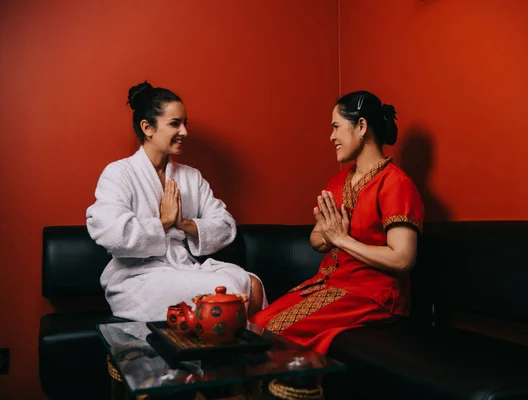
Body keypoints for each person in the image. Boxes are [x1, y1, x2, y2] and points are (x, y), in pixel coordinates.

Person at [249, 90, 424, 354]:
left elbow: (402, 259)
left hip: (374, 296)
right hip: (330, 284)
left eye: (336, 127)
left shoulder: (396, 184)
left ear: (361, 126)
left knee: (269, 330)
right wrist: (330, 235)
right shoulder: (338, 181)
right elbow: (316, 238)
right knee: (255, 325)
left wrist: (342, 240)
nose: (332, 137)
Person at [86, 81, 267, 321]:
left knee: (252, 284)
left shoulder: (190, 176)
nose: (184, 132)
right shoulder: (119, 173)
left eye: (185, 123)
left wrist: (182, 223)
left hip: (182, 267)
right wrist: (163, 222)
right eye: (175, 124)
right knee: (229, 292)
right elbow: (111, 235)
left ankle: (249, 356)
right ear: (148, 128)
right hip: (136, 277)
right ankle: (232, 357)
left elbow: (225, 226)